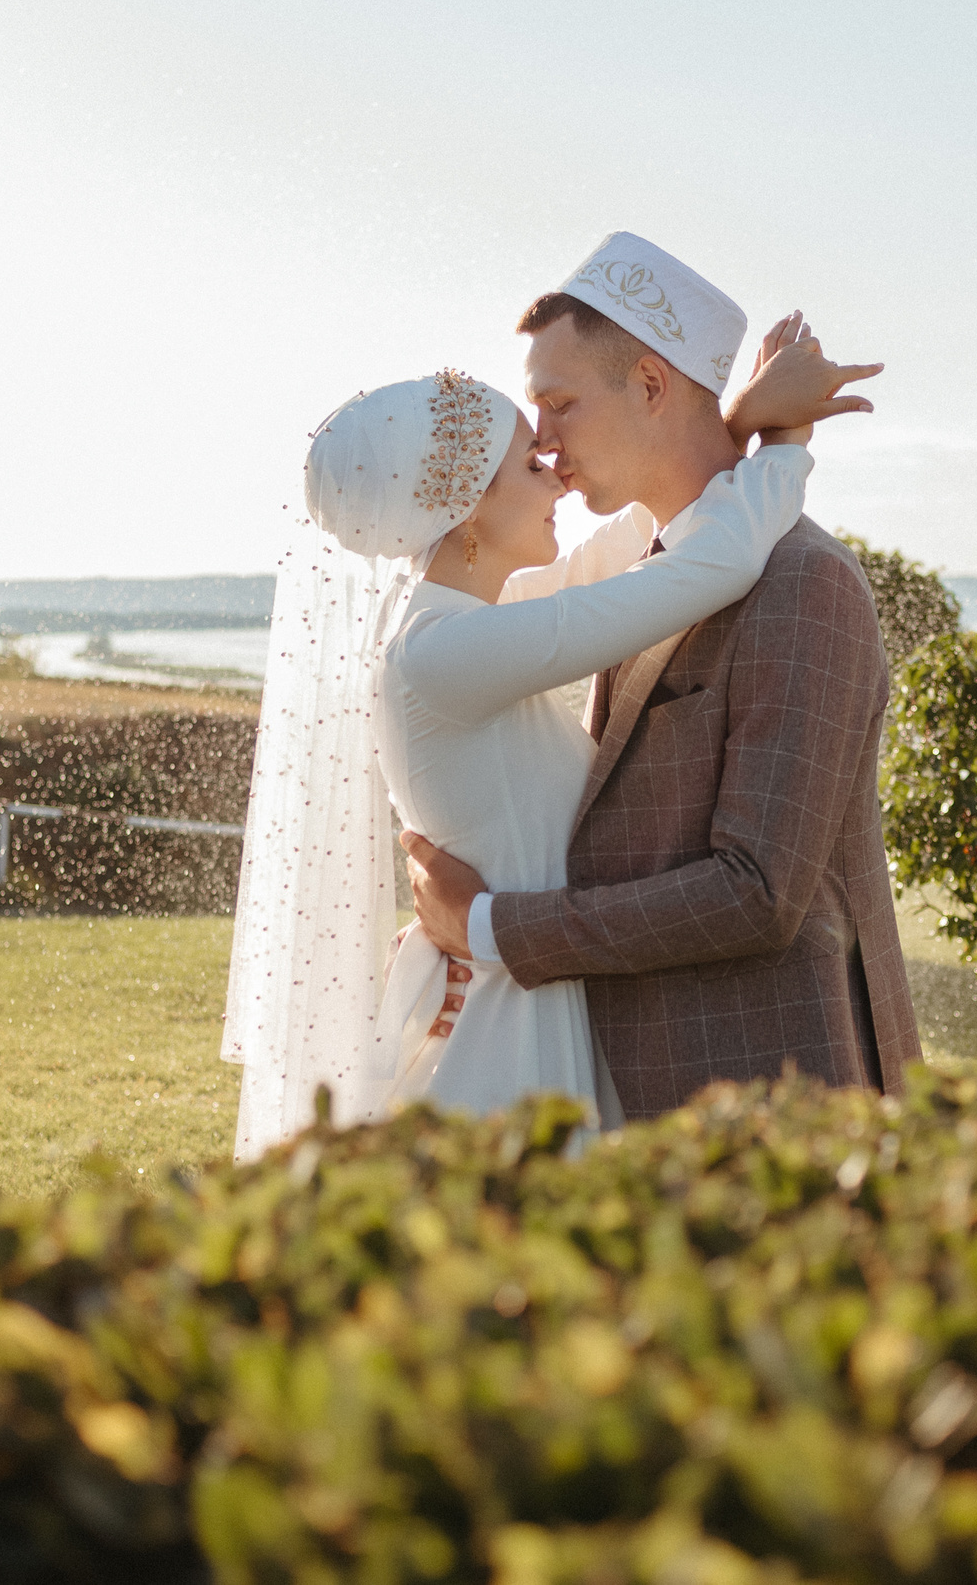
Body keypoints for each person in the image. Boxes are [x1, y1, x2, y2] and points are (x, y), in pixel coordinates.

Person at [221, 298, 877, 1160]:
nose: (559, 474)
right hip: (511, 1035)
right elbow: (700, 568)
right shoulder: (447, 652)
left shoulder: (463, 623)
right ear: (465, 515)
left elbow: (643, 544)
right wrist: (786, 442)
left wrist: (730, 422)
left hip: (538, 1000)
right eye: (532, 464)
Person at [403, 232, 923, 1119]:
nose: (545, 445)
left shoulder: (806, 583)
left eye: (559, 404)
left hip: (778, 1106)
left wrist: (493, 927)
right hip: (642, 1105)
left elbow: (755, 892)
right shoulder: (645, 578)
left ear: (650, 385)